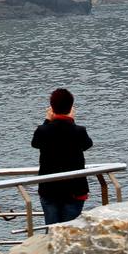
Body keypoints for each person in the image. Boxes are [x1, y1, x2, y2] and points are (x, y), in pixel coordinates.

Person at [30, 87, 93, 227]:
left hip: (49, 190)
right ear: (71, 107)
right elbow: (87, 144)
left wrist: (47, 121)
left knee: (52, 230)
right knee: (71, 231)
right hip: (75, 190)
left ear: (52, 108)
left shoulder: (43, 130)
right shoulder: (79, 131)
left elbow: (35, 143)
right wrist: (71, 121)